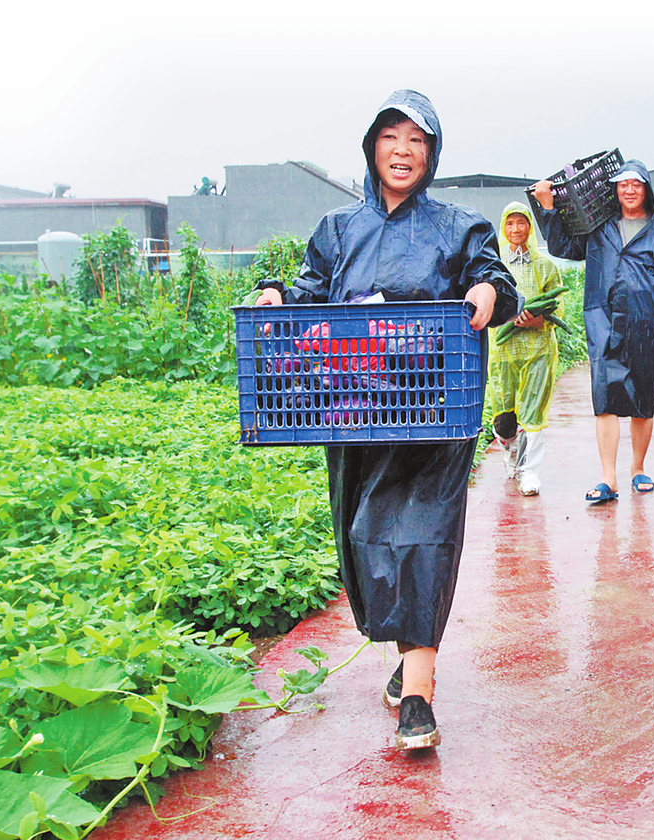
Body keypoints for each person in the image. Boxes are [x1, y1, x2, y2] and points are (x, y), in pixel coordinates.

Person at [253, 89, 521, 749]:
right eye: (391, 138)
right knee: (366, 538)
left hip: (432, 411)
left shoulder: (461, 226)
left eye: (417, 141)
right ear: (372, 147)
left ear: (431, 154)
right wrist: (278, 294)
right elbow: (311, 287)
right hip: (357, 411)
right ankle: (405, 665)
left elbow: (497, 281)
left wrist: (488, 291)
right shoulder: (338, 228)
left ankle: (419, 700)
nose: (403, 152)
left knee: (422, 539)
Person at [531, 160, 654, 504]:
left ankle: (638, 468)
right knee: (605, 398)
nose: (629, 191)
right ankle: (608, 477)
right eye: (623, 185)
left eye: (636, 185)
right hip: (603, 319)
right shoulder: (600, 228)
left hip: (648, 322)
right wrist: (550, 210)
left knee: (644, 398)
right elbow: (564, 248)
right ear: (614, 191)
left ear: (647, 190)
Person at [489, 201, 565, 496]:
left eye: (521, 223)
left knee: (533, 413)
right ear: (503, 228)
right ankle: (510, 450)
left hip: (538, 348)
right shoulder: (495, 263)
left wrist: (539, 320)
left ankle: (529, 472)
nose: (516, 229)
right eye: (510, 223)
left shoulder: (544, 265)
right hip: (503, 348)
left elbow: (559, 303)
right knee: (504, 416)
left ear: (530, 228)